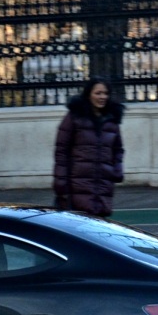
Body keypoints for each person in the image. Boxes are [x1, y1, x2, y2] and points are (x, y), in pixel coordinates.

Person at [53, 78, 125, 217]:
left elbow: (118, 150)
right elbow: (62, 152)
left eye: (105, 93)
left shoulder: (112, 120)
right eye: (98, 93)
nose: (102, 97)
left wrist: (117, 169)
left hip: (102, 187)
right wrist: (61, 184)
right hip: (78, 186)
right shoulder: (74, 117)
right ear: (88, 95)